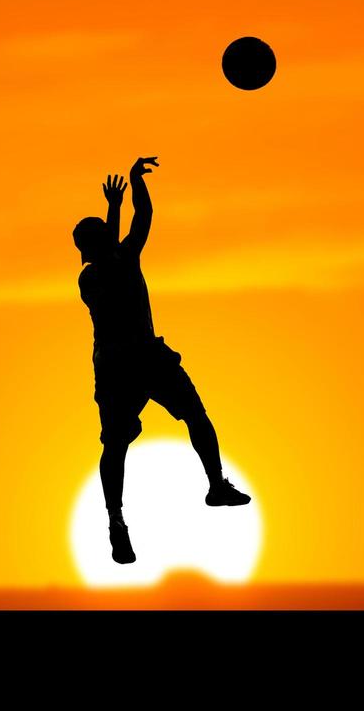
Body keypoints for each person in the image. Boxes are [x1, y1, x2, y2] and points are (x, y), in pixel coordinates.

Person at [73, 156, 249, 564]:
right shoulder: (105, 271)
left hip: (119, 365)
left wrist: (122, 200)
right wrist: (129, 191)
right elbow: (140, 221)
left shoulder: (97, 270)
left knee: (129, 439)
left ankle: (121, 518)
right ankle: (209, 487)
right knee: (178, 422)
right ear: (94, 247)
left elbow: (128, 231)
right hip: (138, 359)